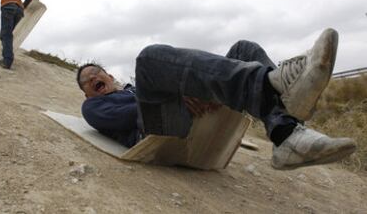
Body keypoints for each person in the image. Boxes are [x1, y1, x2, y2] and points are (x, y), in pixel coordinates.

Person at [76, 28, 356, 170]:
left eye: (96, 73)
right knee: (148, 58)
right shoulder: (92, 107)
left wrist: (192, 92)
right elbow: (130, 117)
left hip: (188, 114)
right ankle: (273, 85)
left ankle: (285, 131)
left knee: (244, 48)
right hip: (156, 133)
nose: (92, 80)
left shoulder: (131, 89)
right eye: (87, 82)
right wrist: (178, 95)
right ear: (87, 92)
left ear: (109, 75)